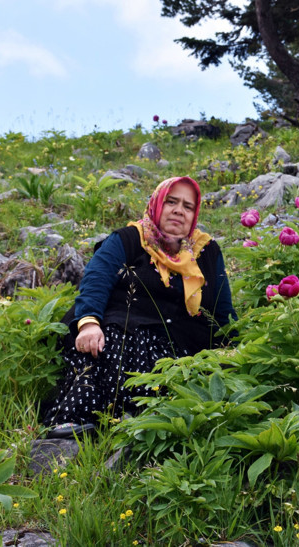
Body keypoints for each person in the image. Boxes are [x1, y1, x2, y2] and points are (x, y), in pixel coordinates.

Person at [42, 176, 237, 437]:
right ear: (157, 203)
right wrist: (88, 323)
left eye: (188, 206)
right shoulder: (130, 238)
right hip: (120, 328)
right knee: (112, 341)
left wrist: (234, 349)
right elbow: (97, 278)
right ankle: (78, 417)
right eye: (171, 202)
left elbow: (223, 308)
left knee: (182, 366)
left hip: (180, 341)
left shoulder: (207, 250)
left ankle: (143, 420)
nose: (179, 210)